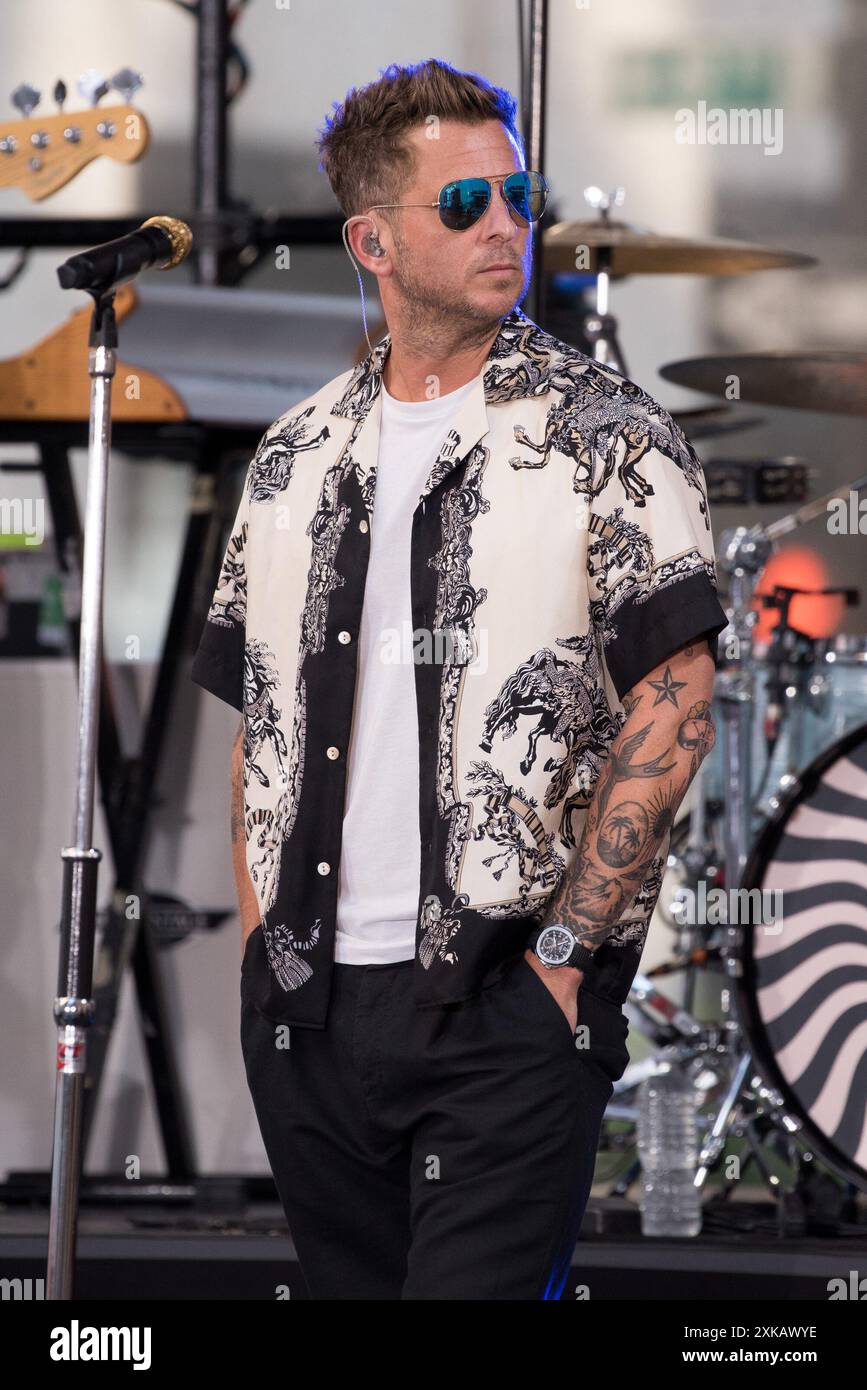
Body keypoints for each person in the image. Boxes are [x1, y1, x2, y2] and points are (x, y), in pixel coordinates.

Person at [191, 57, 729, 1300]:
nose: (507, 226)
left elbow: (677, 704)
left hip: (508, 1006)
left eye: (517, 196)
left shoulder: (612, 434)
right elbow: (259, 727)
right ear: (371, 240)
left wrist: (561, 964)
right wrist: (266, 941)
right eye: (465, 204)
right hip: (313, 1013)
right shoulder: (291, 460)